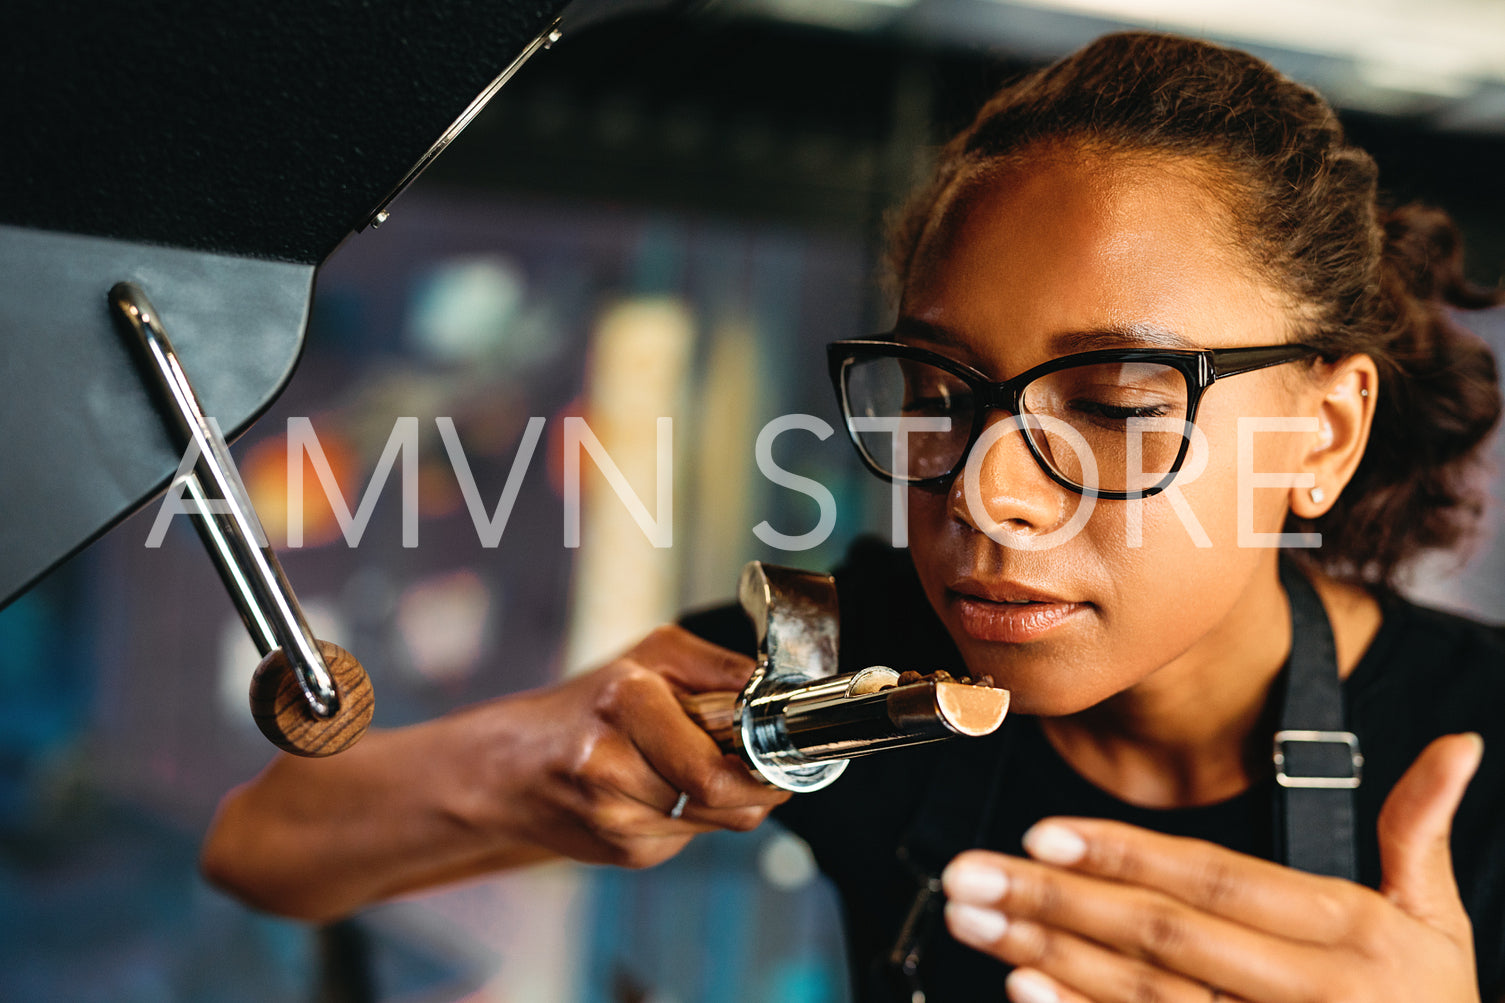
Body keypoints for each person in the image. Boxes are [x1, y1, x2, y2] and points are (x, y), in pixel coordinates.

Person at [202, 31, 1505, 1003]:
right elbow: (263, 850)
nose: (982, 490)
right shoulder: (849, 669)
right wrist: (535, 762)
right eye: (939, 394)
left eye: (1113, 403)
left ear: (1318, 434)